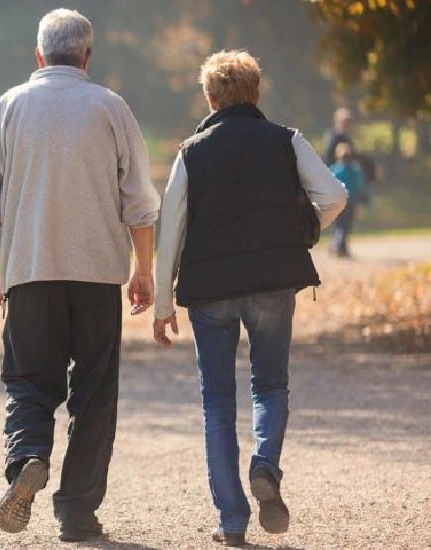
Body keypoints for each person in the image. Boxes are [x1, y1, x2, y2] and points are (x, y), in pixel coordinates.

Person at [0, 8, 161, 543]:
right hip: (97, 278)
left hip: (29, 273)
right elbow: (140, 203)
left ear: (39, 55)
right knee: (95, 395)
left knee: (29, 381)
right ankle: (76, 513)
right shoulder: (111, 107)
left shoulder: (10, 106)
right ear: (87, 55)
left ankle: (28, 457)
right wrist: (144, 270)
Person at [153, 50, 347, 547]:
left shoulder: (191, 151)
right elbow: (335, 195)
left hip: (210, 291)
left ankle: (232, 521)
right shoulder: (287, 140)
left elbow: (170, 227)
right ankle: (265, 466)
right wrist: (303, 228)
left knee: (217, 402)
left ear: (210, 97)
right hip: (273, 282)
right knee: (271, 386)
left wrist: (161, 303)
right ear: (256, 93)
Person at [329, 142, 369, 257]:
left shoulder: (334, 170)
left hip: (338, 201)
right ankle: (339, 247)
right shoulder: (355, 170)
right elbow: (360, 185)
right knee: (345, 226)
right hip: (350, 201)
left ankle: (339, 247)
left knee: (339, 225)